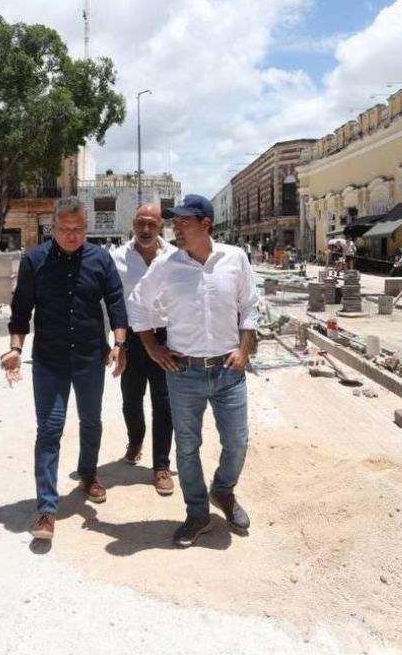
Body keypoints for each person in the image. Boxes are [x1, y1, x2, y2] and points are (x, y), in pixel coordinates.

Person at [127, 194, 259, 548]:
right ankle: (197, 511)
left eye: (183, 223)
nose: (175, 229)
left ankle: (223, 491)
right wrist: (153, 349)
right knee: (187, 447)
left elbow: (249, 306)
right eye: (175, 223)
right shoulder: (167, 265)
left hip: (229, 372)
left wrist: (244, 350)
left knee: (237, 442)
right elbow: (136, 305)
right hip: (184, 372)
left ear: (205, 224)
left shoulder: (235, 259)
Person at [3, 197, 128, 541]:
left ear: (86, 229)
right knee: (50, 429)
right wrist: (15, 348)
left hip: (90, 359)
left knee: (91, 421)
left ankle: (88, 475)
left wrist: (119, 344)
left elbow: (116, 302)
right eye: (65, 229)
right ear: (52, 228)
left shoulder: (101, 260)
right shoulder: (34, 261)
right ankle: (46, 508)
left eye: (78, 229)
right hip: (50, 361)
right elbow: (20, 310)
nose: (72, 236)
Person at [111, 204, 176, 496]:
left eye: (152, 223)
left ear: (161, 225)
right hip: (133, 340)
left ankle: (160, 465)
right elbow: (110, 303)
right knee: (131, 399)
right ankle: (135, 440)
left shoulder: (176, 257)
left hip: (166, 339)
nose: (146, 229)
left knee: (164, 403)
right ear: (133, 224)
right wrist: (116, 343)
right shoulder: (118, 259)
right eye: (141, 223)